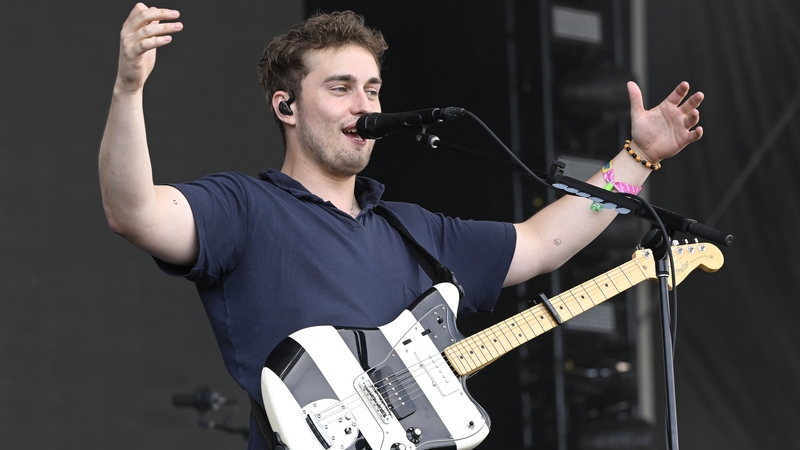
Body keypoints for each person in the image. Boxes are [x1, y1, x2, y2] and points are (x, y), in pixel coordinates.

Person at [99, 4, 704, 449]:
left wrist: (637, 159)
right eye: (340, 88)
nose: (364, 105)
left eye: (372, 89)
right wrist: (129, 89)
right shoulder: (244, 207)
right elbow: (134, 212)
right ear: (286, 106)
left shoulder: (412, 229)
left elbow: (543, 242)